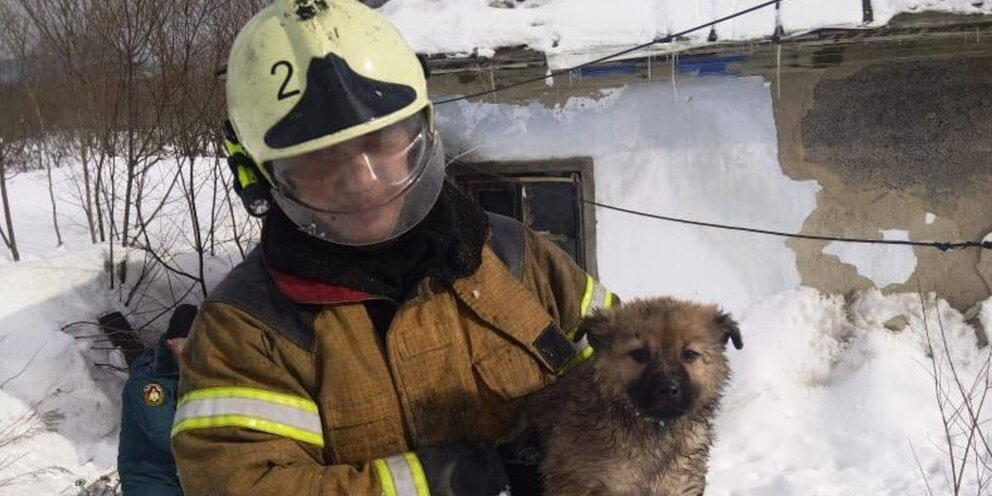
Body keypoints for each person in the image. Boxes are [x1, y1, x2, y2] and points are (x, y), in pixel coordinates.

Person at [170, 1, 615, 494]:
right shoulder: (248, 330)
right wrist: (445, 482)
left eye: (383, 141)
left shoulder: (514, 255)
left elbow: (631, 368)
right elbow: (242, 485)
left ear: (422, 126)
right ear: (263, 176)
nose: (364, 181)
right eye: (321, 161)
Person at [118, 304, 198, 496]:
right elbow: (164, 435)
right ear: (171, 344)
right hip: (149, 477)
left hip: (188, 474)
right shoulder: (149, 383)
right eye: (188, 346)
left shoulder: (195, 374)